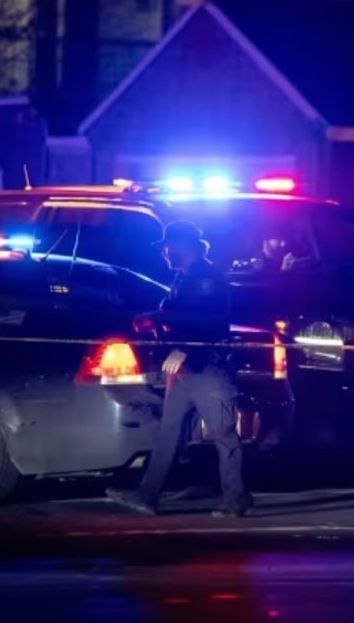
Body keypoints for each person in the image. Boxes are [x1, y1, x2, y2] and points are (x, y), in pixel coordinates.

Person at [106, 221, 252, 517]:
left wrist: (185, 349)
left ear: (184, 246)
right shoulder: (184, 278)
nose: (164, 253)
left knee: (224, 435)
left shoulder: (206, 278)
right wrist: (154, 316)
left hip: (207, 370)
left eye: (167, 246)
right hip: (184, 371)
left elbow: (210, 322)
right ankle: (147, 495)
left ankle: (236, 499)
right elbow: (180, 313)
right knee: (168, 432)